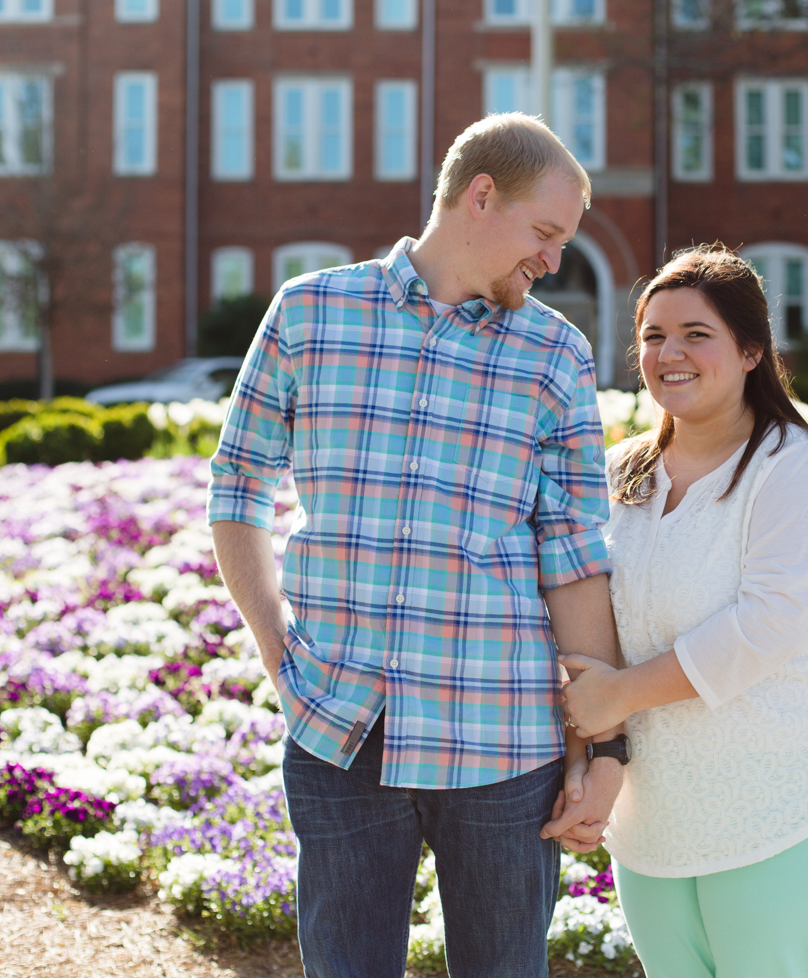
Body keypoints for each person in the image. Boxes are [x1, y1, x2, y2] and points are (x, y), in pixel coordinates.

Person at [207, 114, 628, 978]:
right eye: (545, 234)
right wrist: (277, 653)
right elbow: (238, 484)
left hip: (505, 745)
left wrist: (603, 743)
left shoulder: (556, 354)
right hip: (340, 729)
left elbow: (575, 557)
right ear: (482, 197)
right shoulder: (310, 313)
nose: (554, 261)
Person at [558, 245, 808, 978]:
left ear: (750, 350)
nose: (668, 353)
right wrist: (594, 758)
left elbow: (764, 627)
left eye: (695, 334)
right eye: (652, 336)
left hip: (790, 798)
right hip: (659, 817)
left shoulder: (791, 466)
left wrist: (616, 694)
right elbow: (587, 624)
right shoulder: (622, 473)